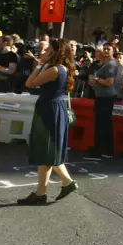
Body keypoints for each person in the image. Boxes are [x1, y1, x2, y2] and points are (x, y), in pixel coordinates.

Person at [17, 39, 78, 205]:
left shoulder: (55, 70)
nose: (43, 53)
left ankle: (42, 193)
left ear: (55, 53)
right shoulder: (60, 68)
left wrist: (38, 65)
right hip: (52, 108)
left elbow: (29, 83)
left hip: (50, 110)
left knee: (46, 149)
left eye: (47, 50)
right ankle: (64, 184)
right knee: (49, 150)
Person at [89, 46, 119, 157]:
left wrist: (96, 79)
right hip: (100, 96)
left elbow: (109, 82)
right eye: (104, 49)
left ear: (113, 51)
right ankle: (100, 149)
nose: (105, 51)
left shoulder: (111, 64)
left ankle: (105, 150)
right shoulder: (105, 64)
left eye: (108, 49)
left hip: (107, 97)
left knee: (104, 124)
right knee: (100, 124)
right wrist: (93, 81)